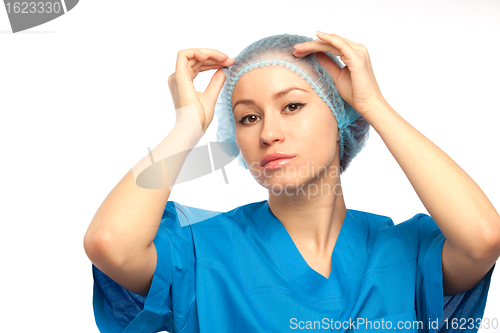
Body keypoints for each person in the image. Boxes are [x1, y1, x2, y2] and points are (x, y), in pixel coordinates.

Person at [84, 32, 500, 332]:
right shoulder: (199, 251)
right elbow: (109, 244)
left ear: (342, 118)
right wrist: (187, 127)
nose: (268, 133)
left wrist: (374, 106)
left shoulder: (405, 253)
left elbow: (484, 237)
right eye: (248, 117)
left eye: (292, 106)